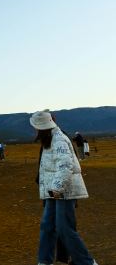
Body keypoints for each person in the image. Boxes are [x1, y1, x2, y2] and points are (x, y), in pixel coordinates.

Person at [30, 110, 98, 265]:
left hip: (63, 191)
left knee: (64, 229)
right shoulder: (49, 138)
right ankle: (44, 261)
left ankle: (87, 262)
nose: (35, 130)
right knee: (47, 226)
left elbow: (66, 166)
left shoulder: (58, 139)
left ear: (42, 127)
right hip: (54, 191)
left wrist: (56, 189)